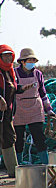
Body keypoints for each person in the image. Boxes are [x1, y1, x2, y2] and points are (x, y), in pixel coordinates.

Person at [14, 48, 55, 165]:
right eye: (29, 60)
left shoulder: (38, 74)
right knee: (19, 139)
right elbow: (12, 90)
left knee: (39, 137)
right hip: (19, 108)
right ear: (22, 61)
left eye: (33, 60)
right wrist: (21, 89)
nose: (31, 63)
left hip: (35, 107)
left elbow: (43, 93)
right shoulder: (15, 73)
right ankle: (18, 165)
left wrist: (49, 109)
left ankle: (45, 165)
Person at [0, 45, 19, 177]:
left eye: (9, 55)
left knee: (9, 139)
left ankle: (14, 171)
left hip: (7, 114)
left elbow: (13, 89)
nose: (7, 58)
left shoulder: (10, 72)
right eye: (5, 55)